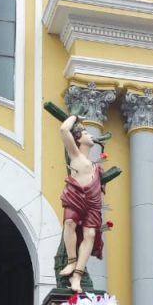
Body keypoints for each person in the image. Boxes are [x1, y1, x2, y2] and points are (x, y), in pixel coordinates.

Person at [58, 114, 104, 293]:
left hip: (92, 203)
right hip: (76, 196)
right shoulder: (74, 154)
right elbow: (63, 129)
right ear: (79, 139)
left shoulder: (94, 166)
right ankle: (71, 262)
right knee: (69, 223)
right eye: (86, 133)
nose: (90, 135)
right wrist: (75, 116)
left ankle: (78, 274)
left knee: (90, 235)